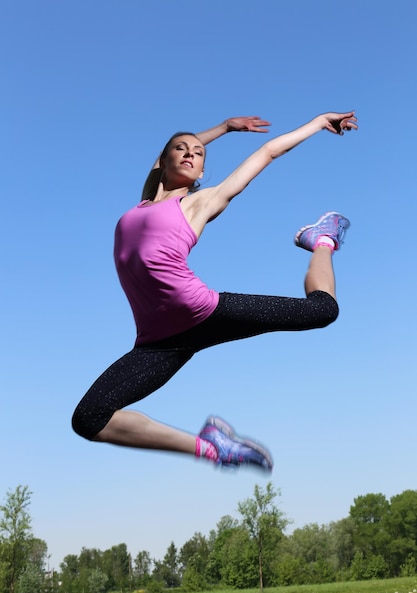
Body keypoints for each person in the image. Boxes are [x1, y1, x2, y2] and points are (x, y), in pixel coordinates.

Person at [72, 112, 358, 472]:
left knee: (323, 311)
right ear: (162, 161)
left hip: (204, 312)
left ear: (203, 173)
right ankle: (212, 448)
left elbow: (268, 152)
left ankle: (322, 240)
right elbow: (177, 152)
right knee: (89, 419)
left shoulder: (198, 204)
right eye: (181, 149)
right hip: (159, 341)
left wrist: (317, 123)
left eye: (198, 153)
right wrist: (223, 129)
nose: (191, 154)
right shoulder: (142, 203)